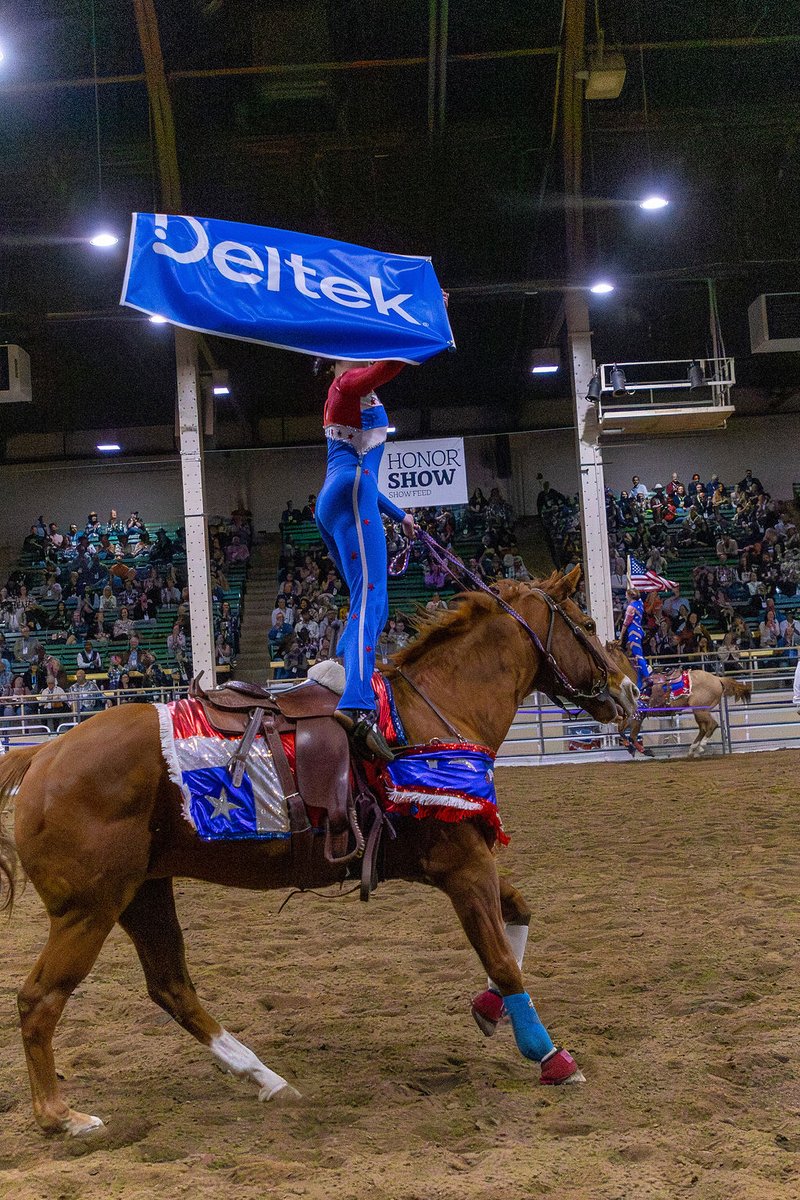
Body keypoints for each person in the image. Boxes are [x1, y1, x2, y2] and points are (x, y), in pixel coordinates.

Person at [315, 357, 416, 759]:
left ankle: (347, 665)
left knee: (374, 600)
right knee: (370, 598)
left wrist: (400, 515)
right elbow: (386, 367)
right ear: (337, 363)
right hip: (354, 493)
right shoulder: (345, 387)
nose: (363, 357)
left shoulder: (347, 395)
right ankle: (357, 701)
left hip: (341, 496)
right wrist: (413, 330)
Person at [621, 587, 652, 693]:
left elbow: (626, 623)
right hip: (638, 631)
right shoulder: (640, 604)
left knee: (638, 655)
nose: (625, 596)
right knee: (635, 657)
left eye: (626, 594)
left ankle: (648, 677)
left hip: (633, 632)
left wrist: (621, 636)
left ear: (630, 596)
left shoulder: (631, 607)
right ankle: (639, 681)